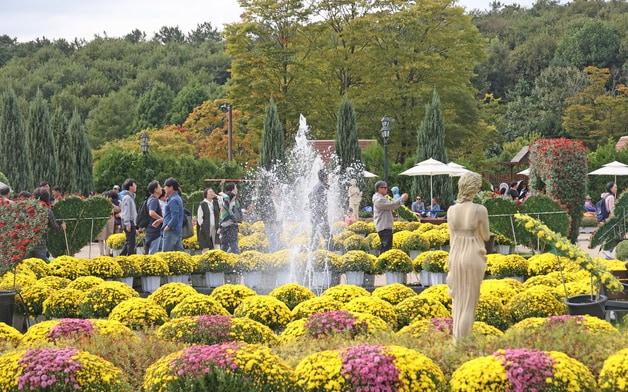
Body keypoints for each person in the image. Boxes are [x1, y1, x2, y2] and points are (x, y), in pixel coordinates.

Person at [446, 172, 490, 341]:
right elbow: (486, 236)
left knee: (458, 301)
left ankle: (457, 340)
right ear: (474, 188)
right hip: (472, 254)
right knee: (469, 304)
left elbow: (452, 238)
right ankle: (463, 344)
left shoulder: (451, 210)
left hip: (456, 255)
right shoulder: (480, 210)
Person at [30, 187, 66, 260]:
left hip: (26, 241)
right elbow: (55, 227)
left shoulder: (28, 207)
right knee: (40, 263)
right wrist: (62, 227)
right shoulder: (46, 210)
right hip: (40, 241)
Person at [372, 181, 408, 253]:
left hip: (385, 226)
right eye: (385, 187)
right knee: (386, 249)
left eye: (386, 187)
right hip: (384, 227)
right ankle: (382, 263)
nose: (386, 189)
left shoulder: (381, 197)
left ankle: (384, 262)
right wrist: (402, 199)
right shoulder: (379, 199)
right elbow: (391, 205)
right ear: (379, 189)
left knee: (387, 248)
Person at [309, 169, 331, 250]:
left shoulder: (316, 186)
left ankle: (312, 250)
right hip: (320, 215)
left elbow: (310, 197)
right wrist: (324, 217)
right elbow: (321, 203)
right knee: (327, 235)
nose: (328, 178)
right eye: (327, 176)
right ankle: (328, 252)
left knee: (315, 233)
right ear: (324, 177)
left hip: (315, 214)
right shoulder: (321, 187)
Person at [162, 177, 185, 251]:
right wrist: (161, 220)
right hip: (176, 230)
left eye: (165, 186)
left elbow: (175, 217)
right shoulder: (177, 198)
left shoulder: (173, 200)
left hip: (171, 231)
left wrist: (167, 227)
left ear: (171, 187)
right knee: (179, 255)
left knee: (165, 255)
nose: (164, 188)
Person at [220, 182, 242, 254]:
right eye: (235, 188)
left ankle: (221, 257)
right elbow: (226, 208)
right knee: (232, 245)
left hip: (230, 225)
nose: (237, 190)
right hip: (229, 225)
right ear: (232, 190)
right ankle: (237, 260)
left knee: (226, 245)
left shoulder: (233, 199)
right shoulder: (227, 199)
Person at [197, 188, 221, 252]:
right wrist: (203, 225)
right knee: (205, 245)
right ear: (206, 194)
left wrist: (217, 196)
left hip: (215, 226)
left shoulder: (215, 202)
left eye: (212, 192)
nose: (212, 193)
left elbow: (222, 204)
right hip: (206, 227)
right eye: (210, 192)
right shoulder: (203, 204)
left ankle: (219, 257)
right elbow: (199, 217)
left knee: (217, 243)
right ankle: (205, 259)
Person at [120, 178, 138, 255]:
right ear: (130, 187)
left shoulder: (131, 197)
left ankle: (120, 258)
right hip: (128, 222)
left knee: (129, 242)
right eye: (134, 184)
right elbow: (126, 212)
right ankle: (129, 259)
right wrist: (127, 223)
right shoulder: (127, 198)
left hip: (131, 222)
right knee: (131, 244)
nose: (136, 186)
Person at [145, 181, 164, 254]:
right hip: (154, 231)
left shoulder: (151, 199)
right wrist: (162, 219)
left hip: (152, 230)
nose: (161, 188)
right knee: (153, 254)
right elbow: (151, 212)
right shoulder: (154, 200)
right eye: (159, 187)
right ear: (155, 189)